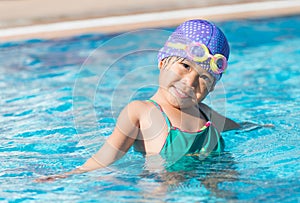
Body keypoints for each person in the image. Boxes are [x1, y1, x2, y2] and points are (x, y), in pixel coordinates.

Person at [36, 19, 241, 182]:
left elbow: (240, 128)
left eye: (204, 77)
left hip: (215, 175)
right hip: (163, 183)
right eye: (185, 66)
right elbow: (106, 157)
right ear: (162, 62)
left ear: (213, 86)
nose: (190, 82)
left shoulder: (206, 113)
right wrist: (68, 175)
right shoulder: (140, 111)